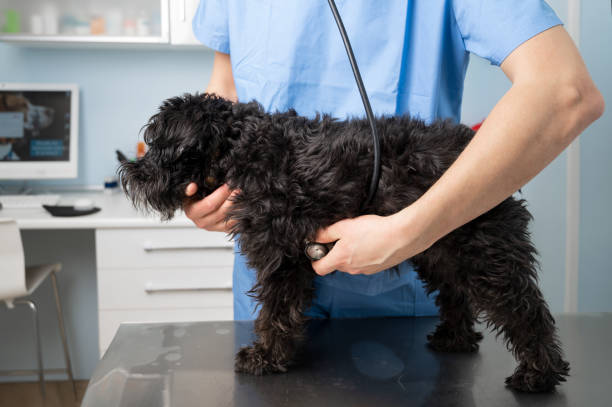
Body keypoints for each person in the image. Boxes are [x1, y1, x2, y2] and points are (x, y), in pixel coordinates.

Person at [186, 1, 604, 321]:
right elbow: (226, 90)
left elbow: (565, 92)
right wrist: (205, 187)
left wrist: (406, 234)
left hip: (401, 294)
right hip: (268, 289)